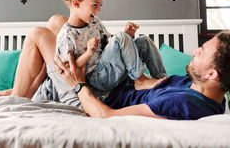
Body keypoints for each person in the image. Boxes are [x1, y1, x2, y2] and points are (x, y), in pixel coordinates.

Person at [45, 0, 166, 107]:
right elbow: (69, 69)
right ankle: (140, 79)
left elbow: (110, 45)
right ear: (76, 3)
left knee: (144, 41)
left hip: (110, 69)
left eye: (100, 5)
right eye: (94, 5)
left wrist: (127, 37)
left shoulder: (95, 22)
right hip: (97, 78)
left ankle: (162, 78)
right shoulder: (66, 35)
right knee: (120, 37)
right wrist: (88, 53)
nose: (98, 10)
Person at [53, 31, 230, 119]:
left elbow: (106, 115)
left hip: (99, 97)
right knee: (57, 22)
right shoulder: (201, 87)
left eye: (201, 52)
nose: (195, 50)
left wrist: (77, 83)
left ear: (211, 74)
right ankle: (26, 95)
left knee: (40, 34)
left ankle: (24, 96)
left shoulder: (183, 102)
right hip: (117, 83)